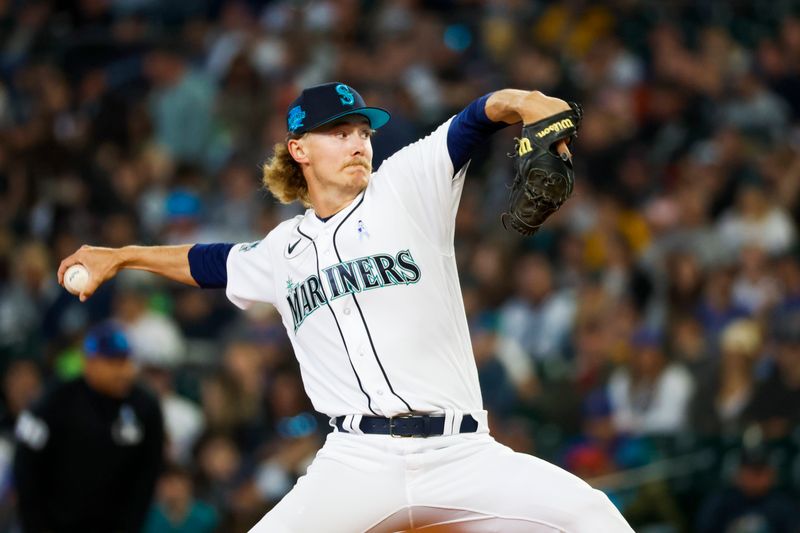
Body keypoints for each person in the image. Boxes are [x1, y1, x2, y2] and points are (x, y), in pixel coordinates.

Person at [58, 82, 634, 532]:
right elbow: (206, 262)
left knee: (594, 519)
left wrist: (530, 102)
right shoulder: (281, 250)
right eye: (339, 132)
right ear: (299, 149)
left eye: (363, 130)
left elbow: (481, 115)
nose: (358, 141)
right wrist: (123, 256)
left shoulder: (407, 184)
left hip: (460, 454)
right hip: (357, 461)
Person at [13, 321, 164, 533]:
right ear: (90, 363)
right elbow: (26, 466)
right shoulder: (54, 401)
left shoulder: (144, 406)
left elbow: (149, 472)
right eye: (114, 362)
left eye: (128, 361)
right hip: (55, 524)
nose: (125, 371)